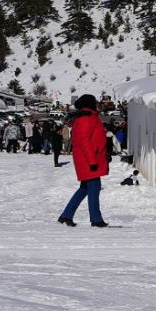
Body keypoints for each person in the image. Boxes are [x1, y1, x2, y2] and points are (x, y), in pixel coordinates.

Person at [58, 94, 110, 228]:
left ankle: (66, 216)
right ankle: (96, 219)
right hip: (88, 160)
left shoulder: (89, 117)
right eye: (94, 102)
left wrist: (104, 154)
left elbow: (95, 139)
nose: (97, 104)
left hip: (91, 158)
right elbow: (84, 142)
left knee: (85, 188)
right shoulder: (86, 119)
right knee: (94, 187)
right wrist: (92, 161)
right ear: (89, 104)